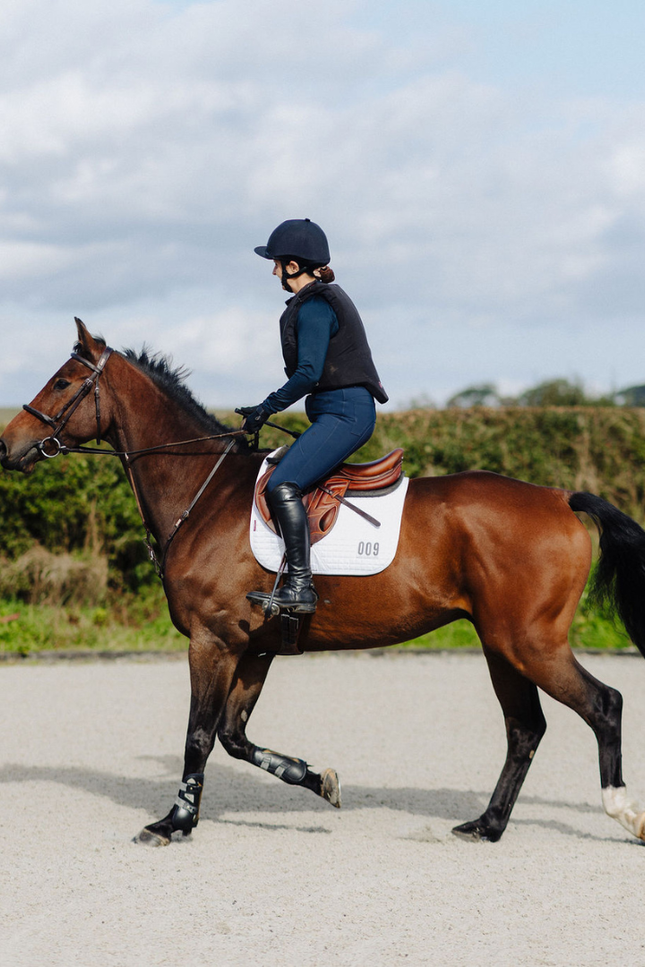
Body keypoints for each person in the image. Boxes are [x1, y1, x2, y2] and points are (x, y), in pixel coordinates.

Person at [239, 218, 388, 613]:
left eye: (276, 263)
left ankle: (300, 588)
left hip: (345, 415)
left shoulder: (316, 307)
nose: (273, 271)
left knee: (282, 484)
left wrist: (264, 408)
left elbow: (308, 373)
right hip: (333, 413)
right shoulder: (313, 303)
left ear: (293, 266)